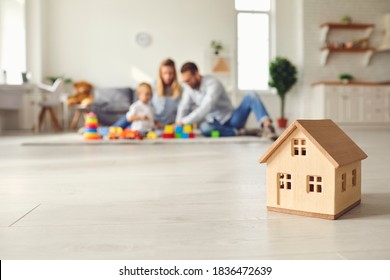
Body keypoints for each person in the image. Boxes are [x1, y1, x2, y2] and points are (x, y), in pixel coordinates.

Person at [176, 62, 277, 140]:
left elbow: (206, 107)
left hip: (232, 119)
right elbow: (183, 107)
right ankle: (240, 132)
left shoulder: (213, 83)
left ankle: (268, 127)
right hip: (215, 123)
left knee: (251, 95)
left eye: (189, 80)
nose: (187, 84)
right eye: (185, 81)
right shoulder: (189, 89)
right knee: (205, 128)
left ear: (197, 74)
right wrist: (177, 124)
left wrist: (184, 122)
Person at [109, 58, 182, 130]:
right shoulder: (153, 85)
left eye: (170, 73)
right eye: (165, 73)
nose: (168, 77)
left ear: (175, 73)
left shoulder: (179, 90)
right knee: (128, 118)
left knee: (130, 129)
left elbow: (180, 112)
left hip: (160, 124)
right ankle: (110, 130)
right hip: (146, 119)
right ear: (160, 74)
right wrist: (141, 116)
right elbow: (144, 104)